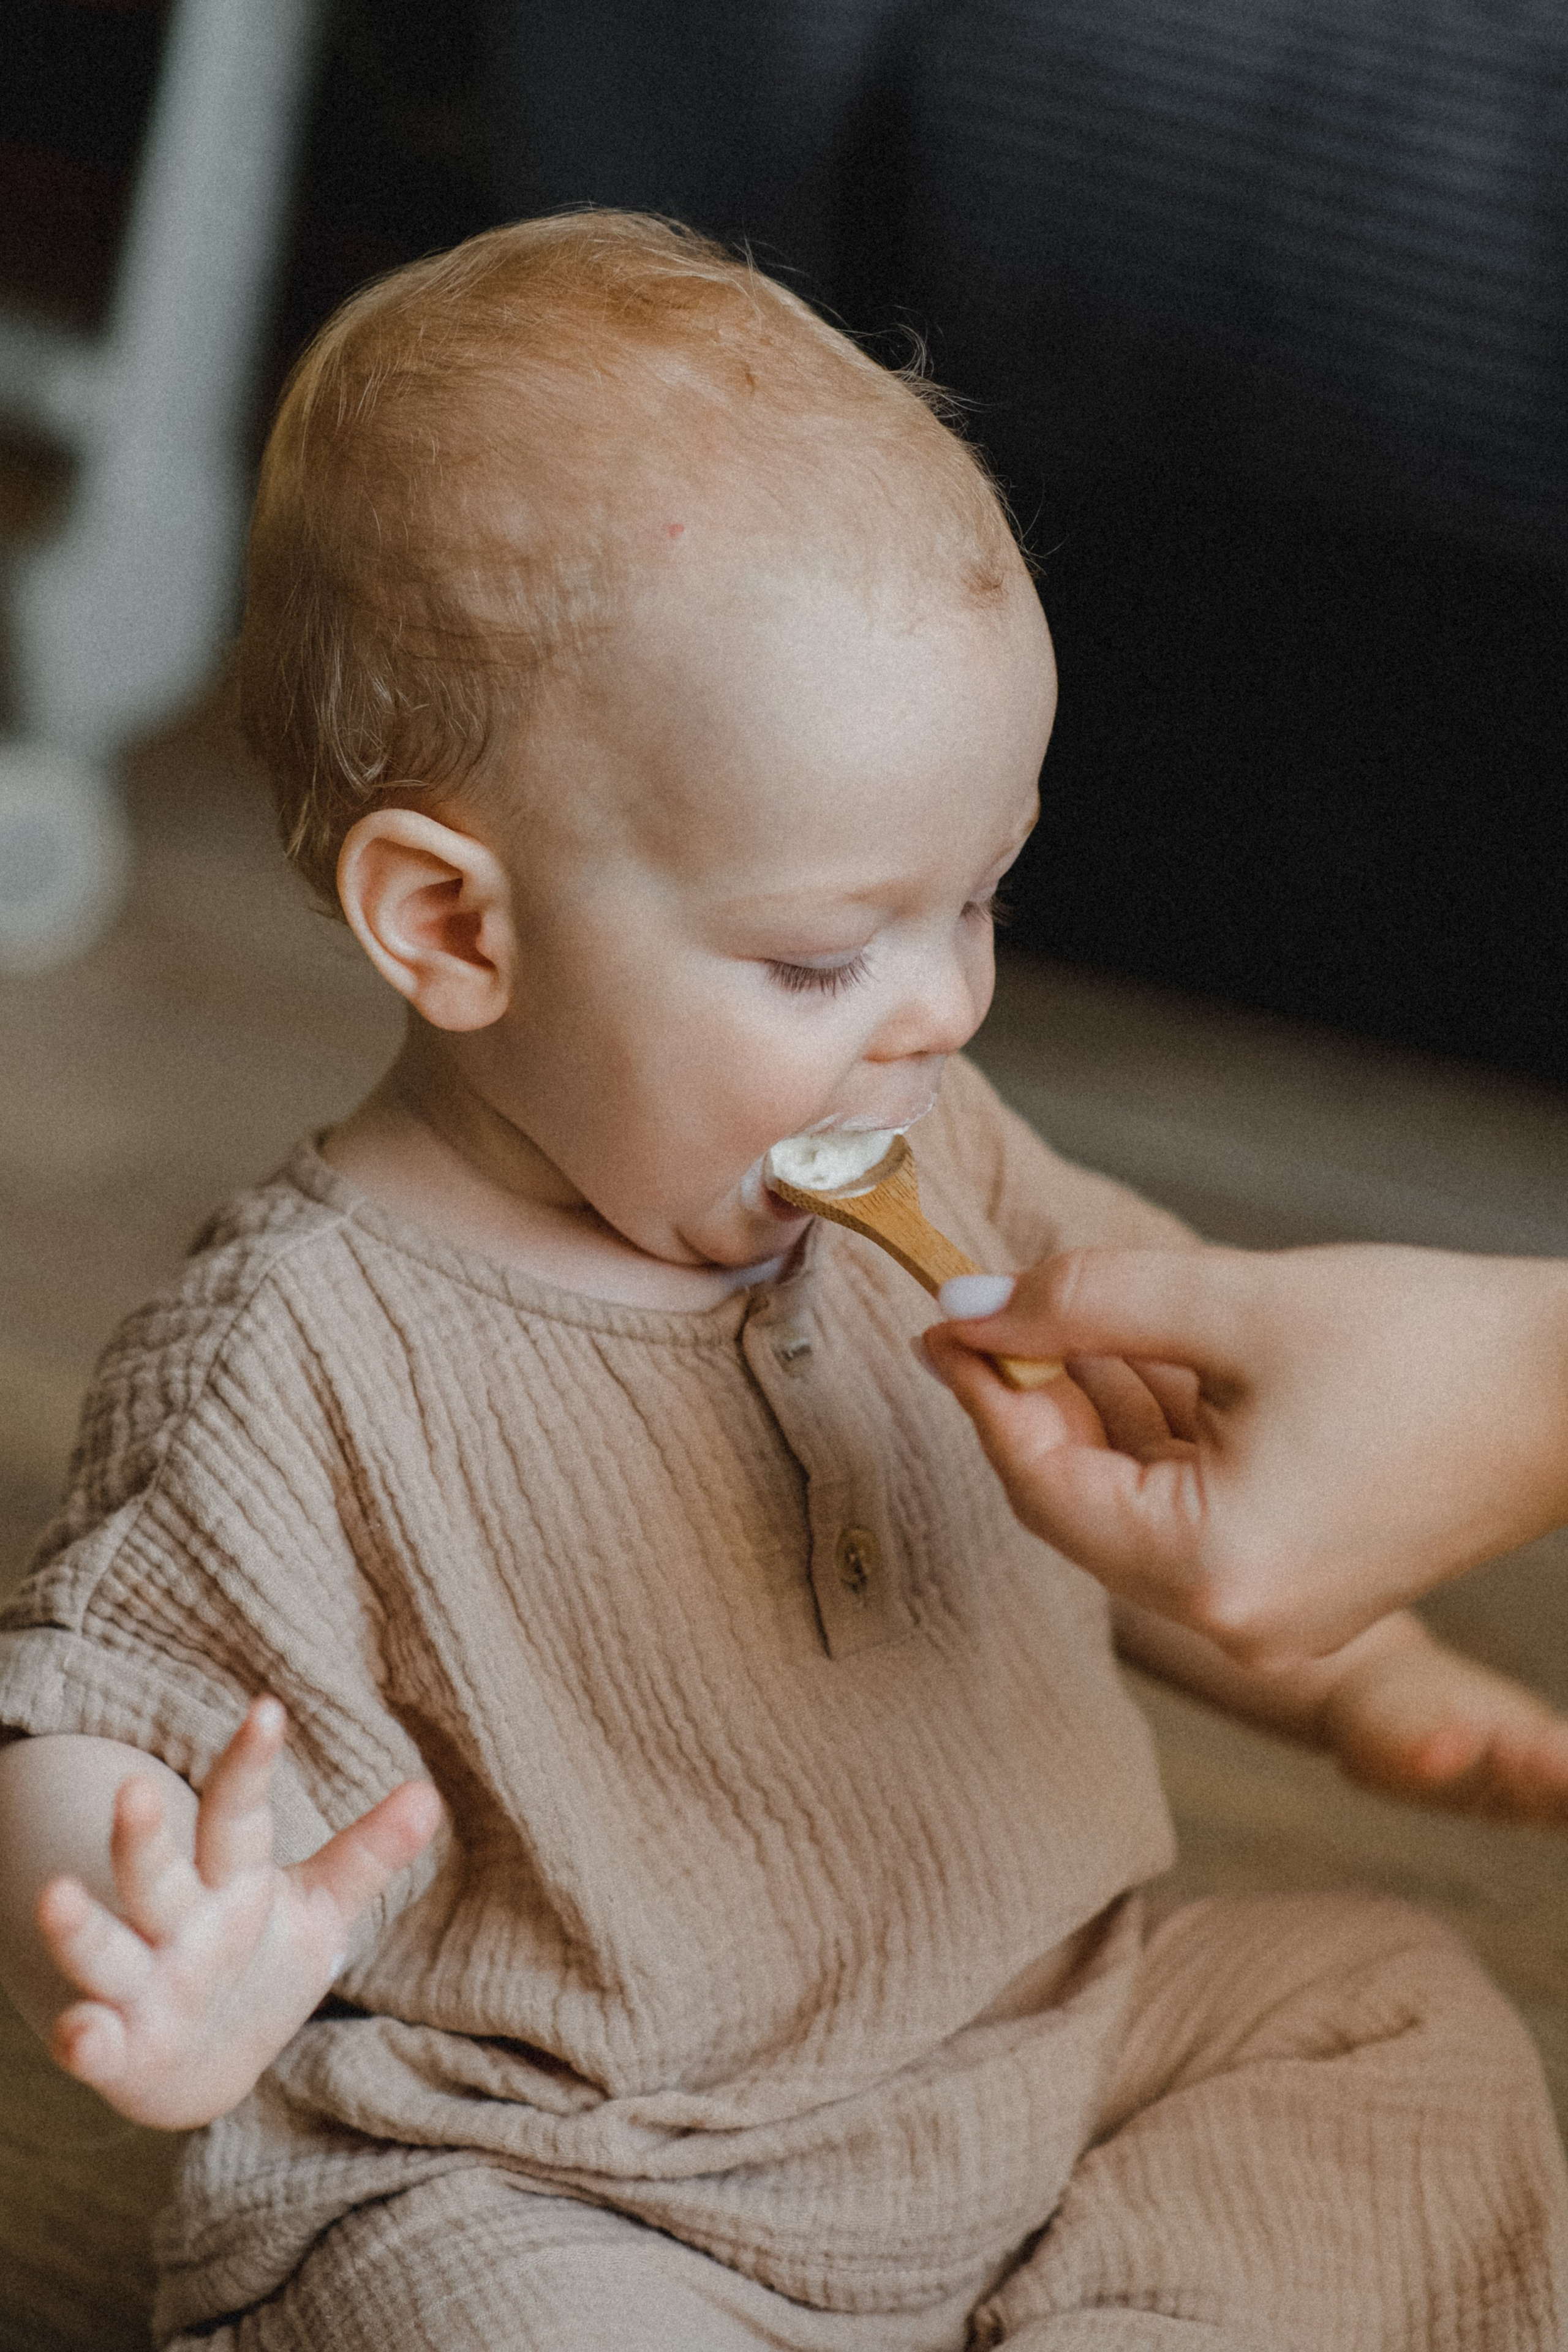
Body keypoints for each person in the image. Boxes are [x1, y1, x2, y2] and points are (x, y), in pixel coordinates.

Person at [0, 215, 1562, 2351]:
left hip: (1039, 2054)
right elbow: (98, 1711)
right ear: (456, 929)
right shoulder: (295, 1359)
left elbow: (1198, 1450)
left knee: (1400, 2027)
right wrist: (147, 1936)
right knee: (459, 2305)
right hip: (578, 2176)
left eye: (982, 898)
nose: (931, 1010)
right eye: (826, 955)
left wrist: (1370, 1670)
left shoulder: (940, 1140)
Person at [924, 1248, 1568, 1826]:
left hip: (1090, 1926)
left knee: (1382, 1951)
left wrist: (1372, 1673)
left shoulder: (969, 1159)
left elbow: (1141, 1513)